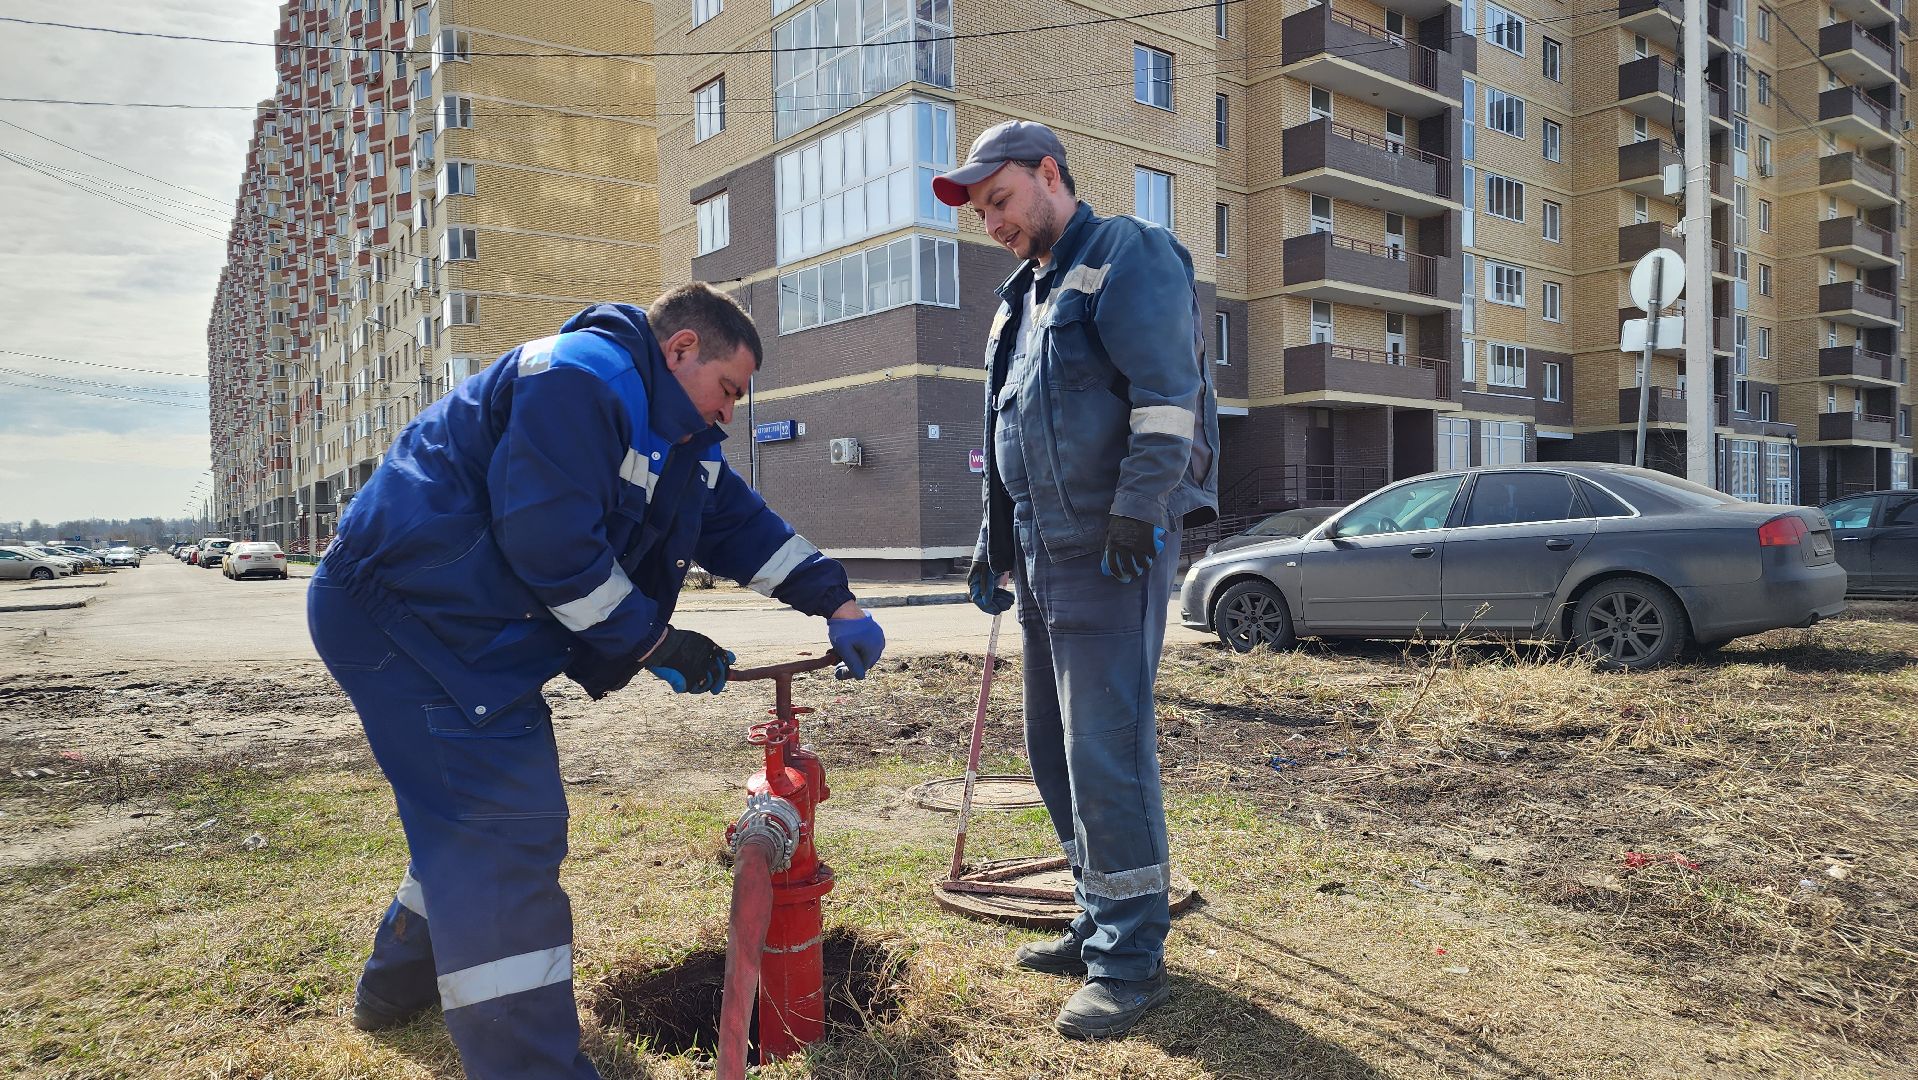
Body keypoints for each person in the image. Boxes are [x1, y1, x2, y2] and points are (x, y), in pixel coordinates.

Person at [306, 285, 886, 1078]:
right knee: (503, 830)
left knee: (470, 814)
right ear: (681, 349)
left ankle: (393, 992)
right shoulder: (582, 376)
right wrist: (657, 643)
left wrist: (838, 599)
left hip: (468, 632)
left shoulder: (677, 437)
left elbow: (741, 527)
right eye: (728, 391)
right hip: (405, 619)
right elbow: (550, 543)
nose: (727, 416)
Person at [934, 121, 1220, 1040]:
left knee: (1106, 751)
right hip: (1046, 555)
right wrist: (993, 538)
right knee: (1054, 749)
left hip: (1112, 551)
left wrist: (1140, 506)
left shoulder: (1126, 254)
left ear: (1050, 175)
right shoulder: (1022, 296)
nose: (993, 224)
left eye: (1001, 202)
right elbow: (1007, 430)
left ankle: (1131, 958)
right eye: (981, 213)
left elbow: (1166, 394)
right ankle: (1096, 916)